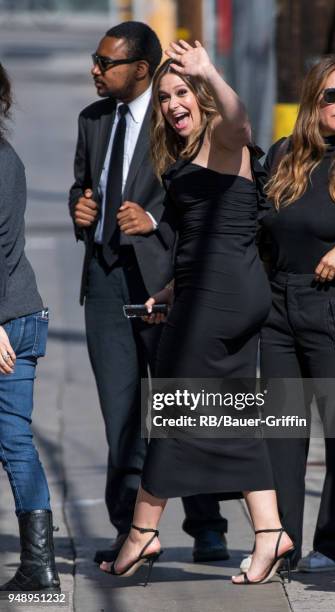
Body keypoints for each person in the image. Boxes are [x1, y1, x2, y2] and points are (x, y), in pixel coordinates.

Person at [101, 40, 294, 586]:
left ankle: (143, 531)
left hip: (221, 296)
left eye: (181, 92)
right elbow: (197, 237)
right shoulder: (187, 154)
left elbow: (239, 114)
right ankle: (269, 531)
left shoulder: (224, 138)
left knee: (176, 406)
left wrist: (209, 70)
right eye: (163, 97)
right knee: (224, 412)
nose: (171, 104)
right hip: (208, 290)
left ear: (203, 97)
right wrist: (167, 291)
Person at [68, 21, 228, 565]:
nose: (95, 68)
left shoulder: (175, 118)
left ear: (140, 69)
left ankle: (207, 524)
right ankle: (130, 530)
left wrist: (155, 220)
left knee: (180, 402)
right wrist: (79, 209)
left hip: (163, 280)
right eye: (96, 59)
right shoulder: (92, 120)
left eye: (104, 61)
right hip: (106, 279)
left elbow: (204, 199)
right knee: (121, 410)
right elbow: (82, 183)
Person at [243, 55, 335, 574]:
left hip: (334, 306)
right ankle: (279, 541)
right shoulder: (284, 154)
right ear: (313, 99)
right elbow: (255, 227)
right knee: (281, 432)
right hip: (278, 307)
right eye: (333, 95)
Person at [0, 63, 60, 592]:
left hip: (8, 319)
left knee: (13, 439)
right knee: (15, 438)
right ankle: (38, 566)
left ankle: (40, 566)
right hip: (18, 315)